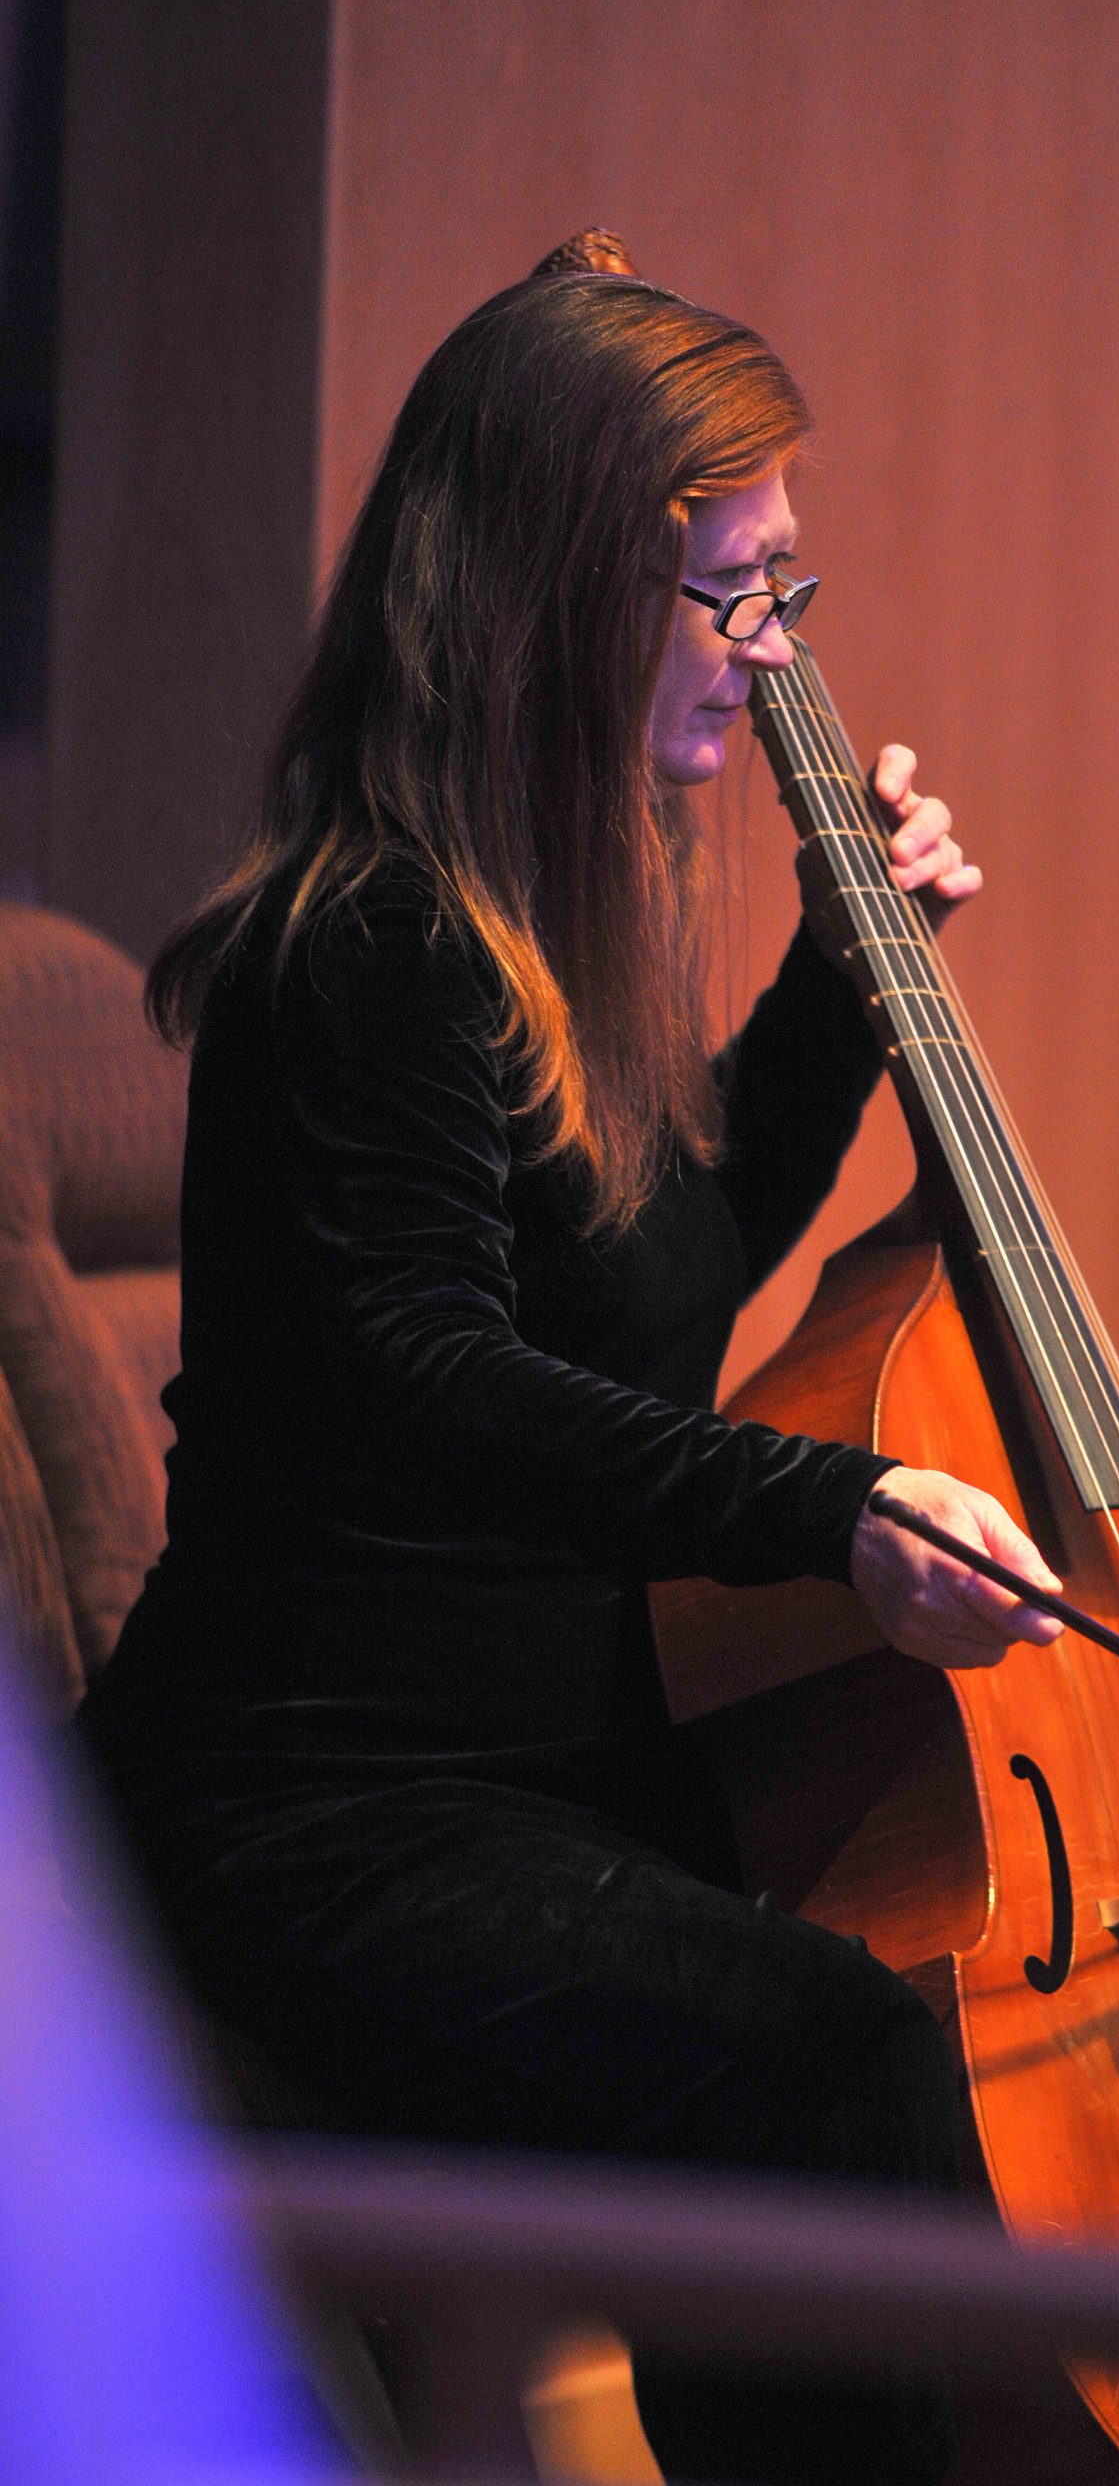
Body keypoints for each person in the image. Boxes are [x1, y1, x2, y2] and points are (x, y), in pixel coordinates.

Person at [79, 243, 1063, 2485]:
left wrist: (842, 981)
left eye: (785, 587)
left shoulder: (569, 907)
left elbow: (664, 1281)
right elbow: (438, 1375)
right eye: (728, 595)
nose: (775, 652)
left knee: (859, 2021)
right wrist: (826, 1504)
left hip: (527, 1775)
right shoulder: (362, 947)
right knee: (817, 2054)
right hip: (305, 1810)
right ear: (546, 598)